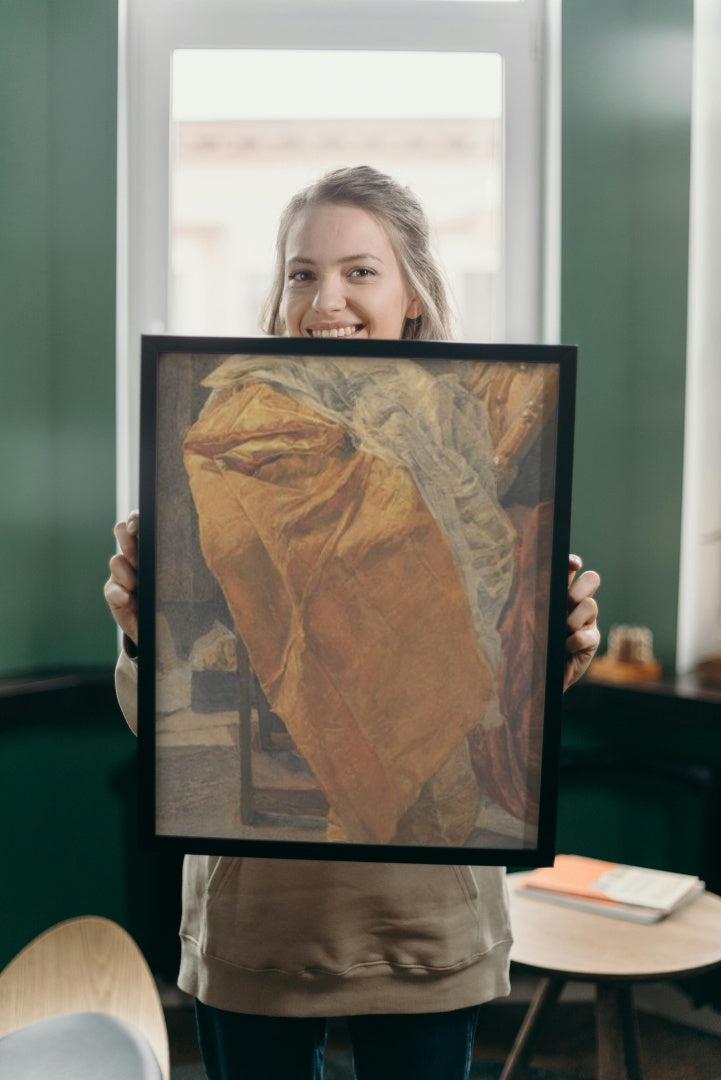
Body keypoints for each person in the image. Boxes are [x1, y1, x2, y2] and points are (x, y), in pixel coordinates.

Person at [105, 166, 601, 1080]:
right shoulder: (229, 420)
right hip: (261, 920)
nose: (324, 298)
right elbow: (163, 723)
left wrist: (556, 644)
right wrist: (140, 635)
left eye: (359, 272)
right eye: (301, 273)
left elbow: (501, 679)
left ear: (412, 292)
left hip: (424, 914)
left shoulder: (476, 420)